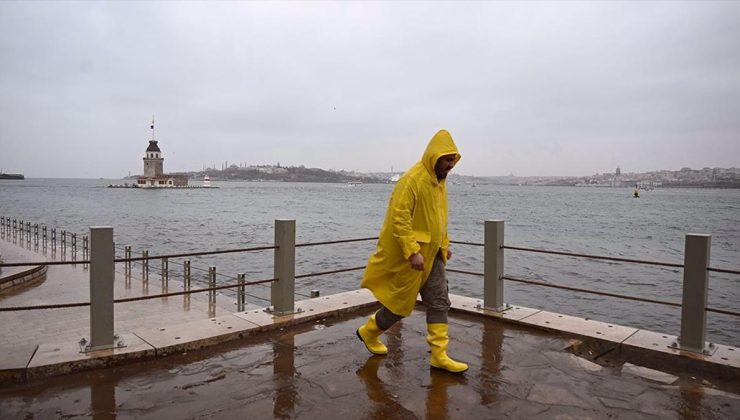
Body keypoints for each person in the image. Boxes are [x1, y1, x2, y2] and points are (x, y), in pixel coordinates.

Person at [356, 129, 467, 373]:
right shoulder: (412, 180)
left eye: (453, 160)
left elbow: (440, 219)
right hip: (414, 257)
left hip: (433, 255)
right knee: (399, 305)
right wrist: (411, 251)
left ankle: (439, 355)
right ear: (434, 156)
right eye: (446, 160)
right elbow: (399, 218)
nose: (450, 165)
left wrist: (445, 246)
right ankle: (369, 331)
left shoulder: (440, 183)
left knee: (439, 301)